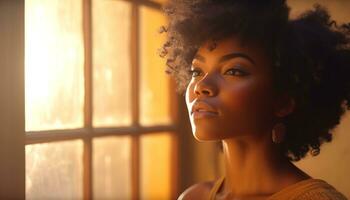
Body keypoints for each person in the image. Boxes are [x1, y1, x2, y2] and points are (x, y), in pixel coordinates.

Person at [159, 0, 350, 199]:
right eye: (197, 71)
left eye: (234, 71)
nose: (200, 86)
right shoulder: (194, 197)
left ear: (283, 101)